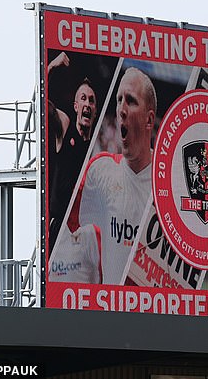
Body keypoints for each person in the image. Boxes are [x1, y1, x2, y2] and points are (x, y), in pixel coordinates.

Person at [49, 67, 156, 285]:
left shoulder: (169, 179)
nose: (121, 109)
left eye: (131, 101)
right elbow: (46, 108)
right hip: (59, 237)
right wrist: (48, 70)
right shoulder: (99, 167)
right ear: (76, 106)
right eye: (118, 101)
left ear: (149, 119)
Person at [47, 52, 99, 251]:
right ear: (76, 106)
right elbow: (42, 107)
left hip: (83, 235)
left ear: (95, 109)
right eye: (83, 99)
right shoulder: (65, 125)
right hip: (59, 232)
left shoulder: (97, 149)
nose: (87, 104)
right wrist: (51, 67)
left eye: (92, 101)